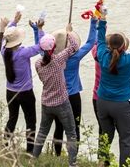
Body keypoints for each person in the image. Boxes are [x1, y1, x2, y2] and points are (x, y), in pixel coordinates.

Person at [95, 13, 130, 167]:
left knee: (105, 135)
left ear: (109, 45)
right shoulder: (128, 60)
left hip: (103, 101)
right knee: (125, 139)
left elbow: (99, 40)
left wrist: (103, 21)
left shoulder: (103, 56)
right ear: (124, 46)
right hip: (121, 104)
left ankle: (101, 164)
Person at [31, 25, 80, 167]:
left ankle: (33, 159)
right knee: (71, 133)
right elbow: (74, 46)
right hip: (62, 103)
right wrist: (68, 32)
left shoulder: (38, 64)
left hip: (46, 102)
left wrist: (39, 30)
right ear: (53, 48)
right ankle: (72, 163)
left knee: (42, 132)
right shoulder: (58, 59)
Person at [51, 16, 98, 156]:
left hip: (58, 96)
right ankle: (73, 157)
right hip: (72, 97)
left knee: (58, 127)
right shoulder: (75, 57)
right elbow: (90, 42)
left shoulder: (51, 59)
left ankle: (58, 155)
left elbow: (40, 45)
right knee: (74, 128)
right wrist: (93, 23)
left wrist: (38, 30)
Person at [2, 10, 43, 153]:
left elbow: (4, 38)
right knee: (30, 121)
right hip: (25, 93)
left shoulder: (3, 51)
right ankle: (30, 150)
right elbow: (41, 46)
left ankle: (5, 145)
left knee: (12, 118)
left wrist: (14, 21)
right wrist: (38, 30)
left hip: (10, 91)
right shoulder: (24, 52)